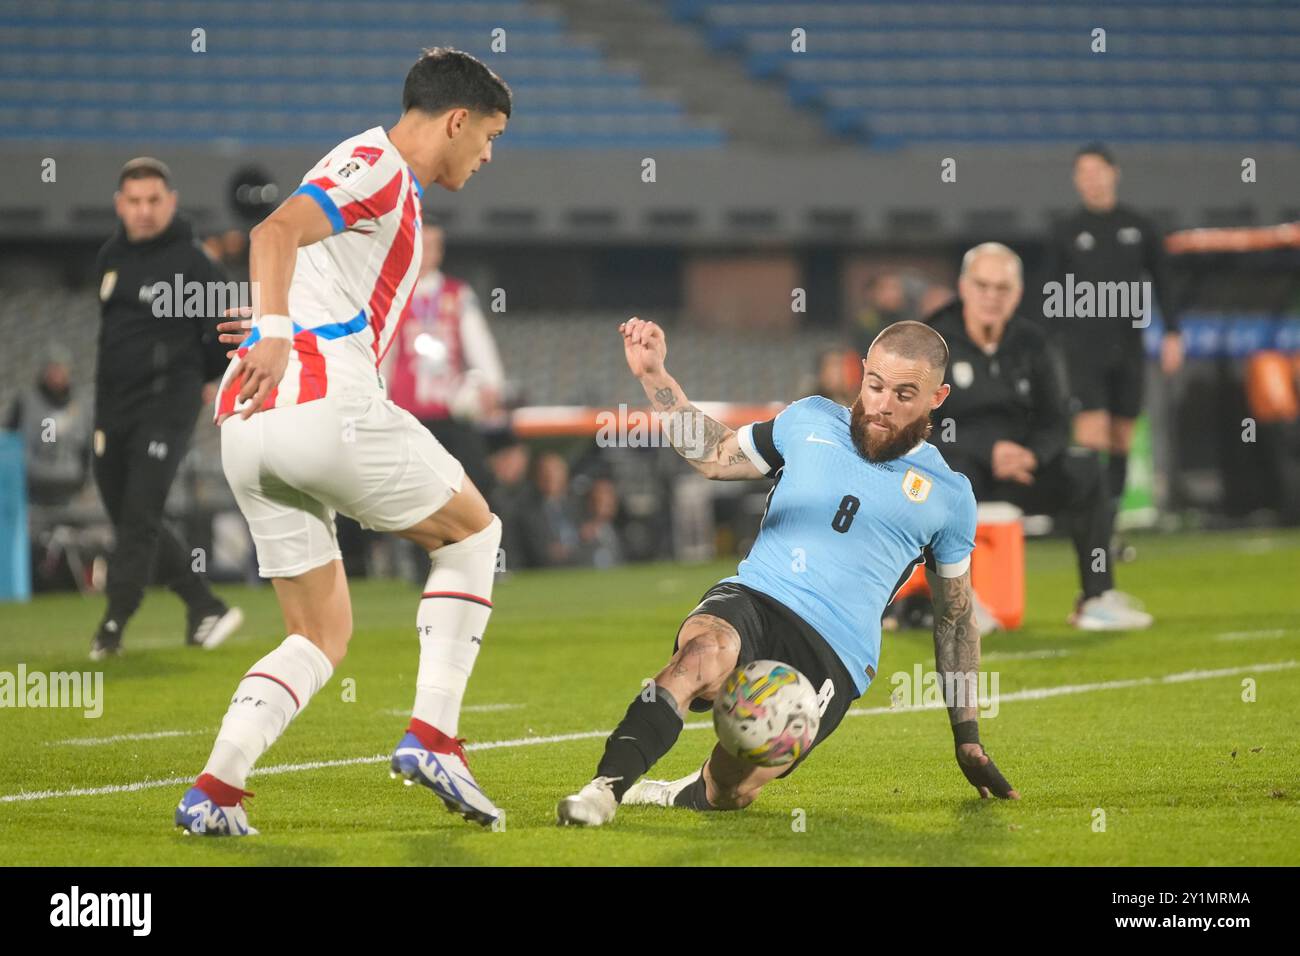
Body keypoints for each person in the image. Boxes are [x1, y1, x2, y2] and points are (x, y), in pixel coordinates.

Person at [174, 48, 512, 836]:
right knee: (475, 532)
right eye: (489, 136)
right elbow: (273, 230)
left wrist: (271, 327)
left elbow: (293, 250)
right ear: (457, 121)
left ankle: (215, 791)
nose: (489, 155)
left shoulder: (366, 166)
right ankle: (433, 735)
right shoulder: (383, 167)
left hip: (250, 426)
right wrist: (276, 332)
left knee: (320, 632)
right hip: (321, 403)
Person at [555, 317, 1018, 826]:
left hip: (834, 654)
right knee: (702, 656)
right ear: (861, 373)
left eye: (905, 394)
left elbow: (954, 618)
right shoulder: (810, 420)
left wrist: (968, 737)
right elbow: (713, 455)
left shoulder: (950, 495)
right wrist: (654, 376)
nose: (883, 404)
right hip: (756, 596)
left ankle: (688, 789)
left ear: (938, 396)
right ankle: (604, 789)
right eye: (875, 385)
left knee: (731, 789)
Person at [927, 242, 1152, 629]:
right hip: (960, 470)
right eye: (982, 286)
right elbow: (919, 426)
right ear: (963, 287)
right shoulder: (932, 342)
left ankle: (1096, 597)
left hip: (1022, 471)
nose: (991, 297)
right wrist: (987, 450)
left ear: (1017, 294)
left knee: (1085, 470)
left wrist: (1033, 455)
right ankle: (959, 602)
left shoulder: (1033, 343)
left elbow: (1056, 420)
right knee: (951, 473)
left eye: (1002, 289)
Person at [89, 157, 243, 659]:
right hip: (113, 411)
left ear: (171, 202)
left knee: (139, 513)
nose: (144, 210)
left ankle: (113, 624)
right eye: (133, 201)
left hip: (167, 406)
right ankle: (203, 605)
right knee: (136, 518)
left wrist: (211, 374)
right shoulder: (110, 256)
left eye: (153, 200)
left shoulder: (193, 261)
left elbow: (229, 326)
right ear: (120, 205)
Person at [1044, 143, 1183, 530]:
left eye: (1096, 171)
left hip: (1129, 346)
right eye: (1082, 173)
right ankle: (1091, 523)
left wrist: (1173, 332)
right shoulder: (1067, 230)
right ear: (1076, 181)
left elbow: (1164, 281)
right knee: (1091, 435)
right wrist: (1044, 340)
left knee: (1122, 437)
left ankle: (1113, 519)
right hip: (1083, 348)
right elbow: (1048, 291)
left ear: (1113, 173)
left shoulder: (1139, 226)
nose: (1090, 179)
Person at [381, 222, 505, 497]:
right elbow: (384, 351)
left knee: (476, 486)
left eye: (434, 245)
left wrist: (491, 383)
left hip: (452, 411)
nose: (427, 252)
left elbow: (479, 343)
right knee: (412, 495)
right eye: (422, 244)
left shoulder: (458, 293)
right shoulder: (393, 292)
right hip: (406, 413)